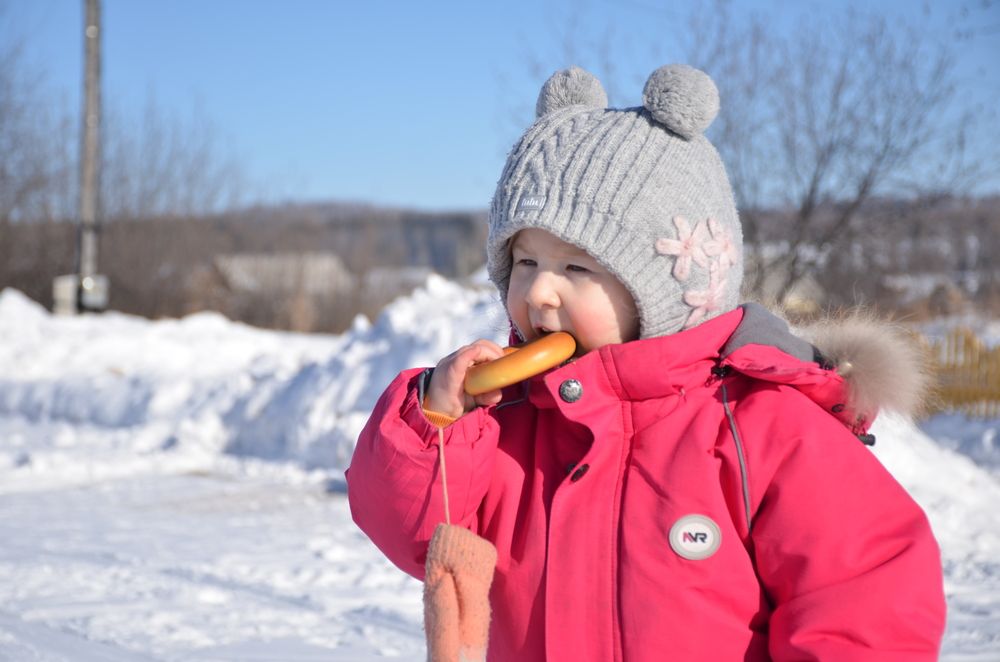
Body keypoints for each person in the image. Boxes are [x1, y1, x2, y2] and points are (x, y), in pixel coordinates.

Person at [346, 64, 945, 661]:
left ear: (662, 287)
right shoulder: (507, 422)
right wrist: (436, 421)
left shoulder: (760, 425)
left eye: (577, 268)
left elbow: (863, 602)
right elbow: (413, 533)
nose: (538, 294)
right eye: (524, 262)